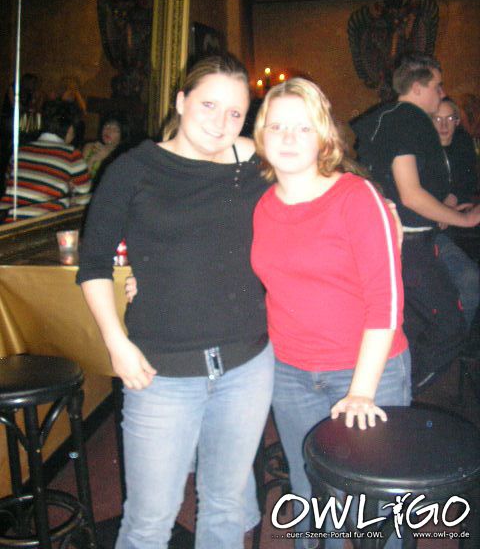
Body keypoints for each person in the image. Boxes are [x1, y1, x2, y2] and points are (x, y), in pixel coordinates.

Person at [76, 54, 274, 549]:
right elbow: (94, 264)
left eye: (235, 112)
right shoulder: (133, 169)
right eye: (209, 105)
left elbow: (321, 169)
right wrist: (117, 344)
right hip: (160, 371)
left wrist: (379, 207)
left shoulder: (254, 162)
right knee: (149, 522)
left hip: (247, 365)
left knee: (226, 507)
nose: (221, 122)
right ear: (182, 101)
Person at [250, 77, 411, 548]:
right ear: (261, 136)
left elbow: (387, 302)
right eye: (277, 126)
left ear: (323, 136)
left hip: (367, 373)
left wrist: (361, 392)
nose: (288, 137)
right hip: (290, 373)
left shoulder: (356, 197)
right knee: (310, 490)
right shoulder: (261, 205)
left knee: (375, 505)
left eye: (303, 127)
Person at [354, 54, 480, 395]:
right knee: (449, 326)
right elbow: (410, 194)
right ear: (418, 87)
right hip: (409, 244)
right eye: (437, 86)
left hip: (393, 241)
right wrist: (464, 218)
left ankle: (391, 391)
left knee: (409, 326)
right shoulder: (409, 120)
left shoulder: (387, 117)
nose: (442, 93)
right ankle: (398, 392)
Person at [432, 97, 479, 332]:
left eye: (449, 118)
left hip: (461, 225)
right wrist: (443, 210)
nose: (443, 125)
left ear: (457, 121)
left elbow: (467, 180)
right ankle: (458, 339)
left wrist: (452, 199)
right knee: (468, 279)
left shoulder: (462, 142)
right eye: (437, 119)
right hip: (435, 234)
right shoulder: (422, 152)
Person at [0, 99, 91, 222]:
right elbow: (84, 199)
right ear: (70, 129)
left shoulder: (21, 150)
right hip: (40, 225)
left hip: (7, 222)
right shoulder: (71, 154)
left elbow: (8, 181)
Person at [82, 113, 130, 180]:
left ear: (122, 135)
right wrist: (92, 160)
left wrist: (107, 158)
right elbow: (80, 179)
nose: (108, 131)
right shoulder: (90, 147)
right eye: (106, 125)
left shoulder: (123, 158)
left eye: (115, 129)